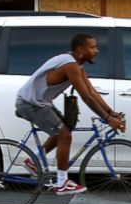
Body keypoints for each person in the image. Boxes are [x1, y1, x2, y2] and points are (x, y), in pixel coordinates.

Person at [14, 32, 124, 194]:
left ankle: (34, 161)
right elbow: (86, 97)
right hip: (30, 104)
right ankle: (62, 182)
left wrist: (111, 112)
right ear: (80, 49)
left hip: (40, 103)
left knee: (65, 129)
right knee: (65, 135)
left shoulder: (77, 65)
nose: (97, 51)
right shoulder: (70, 65)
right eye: (92, 47)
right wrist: (107, 119)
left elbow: (92, 92)